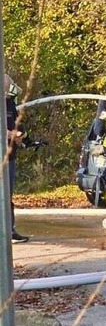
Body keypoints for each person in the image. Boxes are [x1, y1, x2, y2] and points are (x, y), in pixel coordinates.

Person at [4, 74, 29, 243]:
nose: (10, 86)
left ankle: (10, 230)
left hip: (10, 155)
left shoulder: (10, 104)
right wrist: (9, 133)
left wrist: (20, 136)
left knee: (8, 195)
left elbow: (18, 126)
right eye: (8, 83)